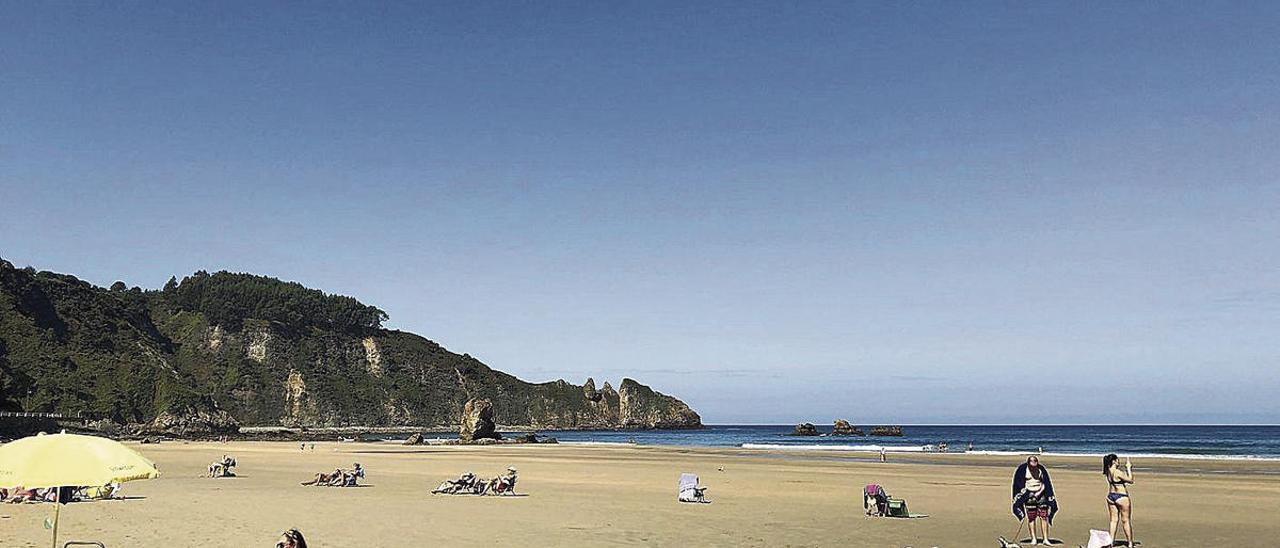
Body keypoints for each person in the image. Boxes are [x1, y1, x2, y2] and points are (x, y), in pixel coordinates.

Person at [1011, 456, 1057, 546]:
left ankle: (1046, 539)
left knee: (1044, 516)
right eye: (1032, 466)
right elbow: (1018, 483)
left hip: (1041, 494)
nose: (1033, 468)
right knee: (1031, 517)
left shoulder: (1041, 469)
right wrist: (1027, 493)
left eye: (1035, 465)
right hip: (1028, 495)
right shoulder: (1022, 469)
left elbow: (1045, 482)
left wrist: (1039, 492)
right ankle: (1034, 539)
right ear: (1028, 464)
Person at [1104, 453, 1135, 546]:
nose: (1118, 462)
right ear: (1114, 461)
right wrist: (1129, 468)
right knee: (1126, 520)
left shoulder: (1107, 471)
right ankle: (1130, 542)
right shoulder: (1117, 472)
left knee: (1113, 520)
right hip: (1121, 496)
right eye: (1117, 460)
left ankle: (1111, 541)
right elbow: (1131, 480)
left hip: (1111, 496)